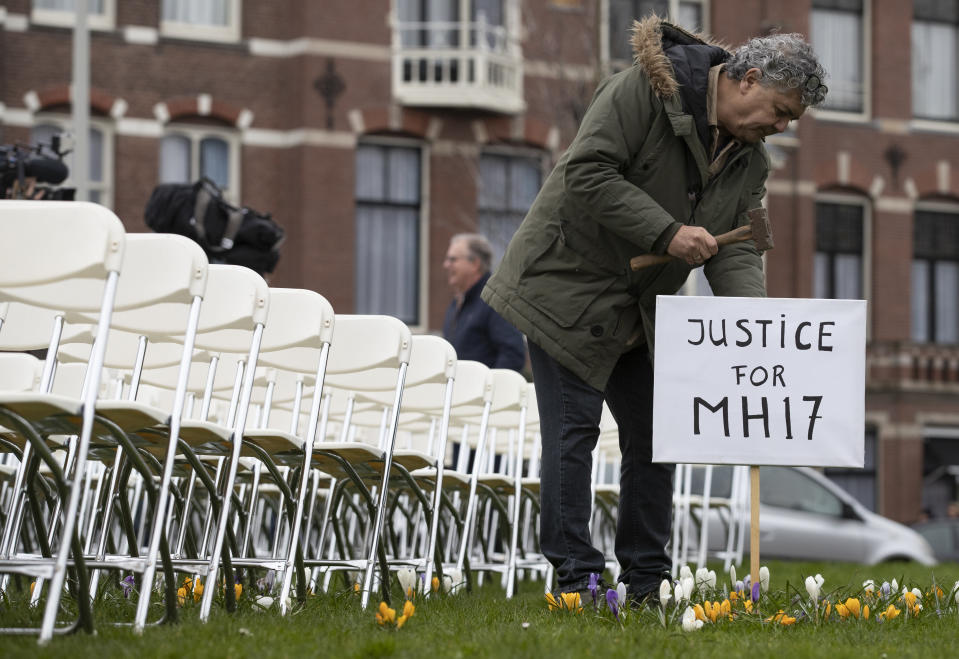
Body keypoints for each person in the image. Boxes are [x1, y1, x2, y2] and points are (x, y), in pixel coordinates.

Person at [481, 17, 827, 603]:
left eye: (791, 119)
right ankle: (577, 580)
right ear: (745, 80)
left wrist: (756, 328)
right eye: (780, 110)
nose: (782, 126)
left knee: (654, 437)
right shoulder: (640, 91)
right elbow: (585, 172)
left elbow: (738, 249)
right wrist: (667, 232)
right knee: (573, 433)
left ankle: (646, 581)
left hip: (638, 310)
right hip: (562, 286)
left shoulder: (750, 161)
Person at [443, 233, 525, 371]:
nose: (446, 265)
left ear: (475, 264)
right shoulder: (457, 303)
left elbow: (512, 355)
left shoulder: (495, 301)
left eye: (452, 259)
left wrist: (488, 389)